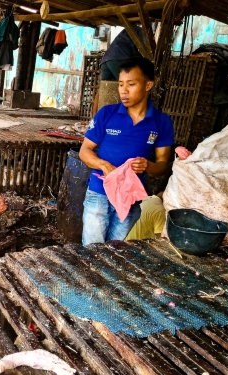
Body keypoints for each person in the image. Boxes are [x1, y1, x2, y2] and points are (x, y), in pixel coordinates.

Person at [80, 57, 174, 246]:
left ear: (148, 85)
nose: (123, 90)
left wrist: (148, 165)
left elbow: (163, 165)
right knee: (92, 251)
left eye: (131, 84)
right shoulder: (107, 114)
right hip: (100, 193)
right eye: (121, 84)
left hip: (131, 198)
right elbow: (85, 151)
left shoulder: (162, 122)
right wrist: (104, 165)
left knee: (115, 251)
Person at [92, 27, 145, 115]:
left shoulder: (127, 30)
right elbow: (143, 50)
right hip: (119, 59)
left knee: (101, 89)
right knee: (129, 86)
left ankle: (94, 117)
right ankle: (132, 117)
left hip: (106, 60)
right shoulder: (141, 31)